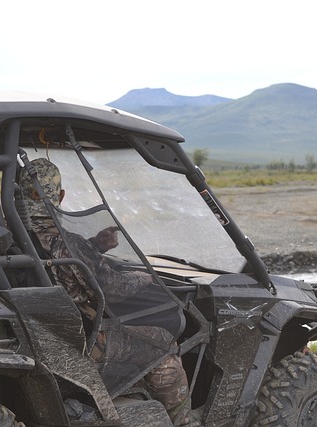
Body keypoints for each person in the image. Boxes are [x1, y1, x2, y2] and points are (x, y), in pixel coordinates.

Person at [18, 158, 192, 425]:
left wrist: (95, 246)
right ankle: (183, 422)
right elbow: (112, 289)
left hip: (43, 334)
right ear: (61, 196)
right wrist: (143, 276)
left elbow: (67, 265)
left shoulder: (15, 234)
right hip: (79, 343)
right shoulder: (67, 243)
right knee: (163, 343)